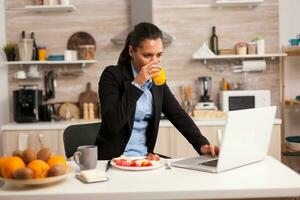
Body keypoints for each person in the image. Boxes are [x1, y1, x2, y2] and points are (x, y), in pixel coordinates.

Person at [95, 22, 219, 160]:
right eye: (147, 55)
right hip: (113, 159)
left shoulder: (156, 81)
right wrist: (137, 83)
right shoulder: (112, 75)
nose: (155, 62)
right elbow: (112, 124)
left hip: (144, 158)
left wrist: (202, 144)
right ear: (131, 51)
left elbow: (177, 114)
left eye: (159, 55)